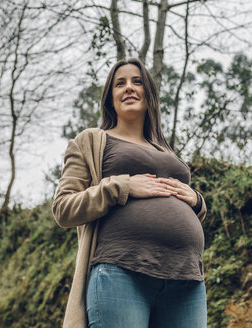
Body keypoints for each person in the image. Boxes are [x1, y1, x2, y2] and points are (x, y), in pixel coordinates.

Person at [52, 57, 207, 328]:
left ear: (149, 94)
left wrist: (196, 201)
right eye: (119, 83)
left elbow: (182, 206)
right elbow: (63, 208)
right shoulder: (91, 141)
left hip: (186, 277)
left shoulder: (166, 151)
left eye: (137, 82)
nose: (129, 88)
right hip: (120, 271)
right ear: (110, 98)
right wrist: (121, 186)